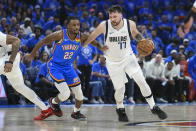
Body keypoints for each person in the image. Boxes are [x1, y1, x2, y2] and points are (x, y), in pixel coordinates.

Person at [83, 5, 167, 122]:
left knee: (141, 81)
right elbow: (92, 37)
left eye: (115, 16)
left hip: (128, 58)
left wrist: (142, 41)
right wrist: (91, 45)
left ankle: (153, 106)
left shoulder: (130, 24)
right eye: (111, 16)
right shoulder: (104, 25)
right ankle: (120, 108)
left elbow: (136, 34)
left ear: (121, 16)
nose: (113, 19)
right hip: (112, 62)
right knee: (120, 89)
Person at [25, 16, 104, 120]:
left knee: (79, 94)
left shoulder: (81, 36)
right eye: (74, 25)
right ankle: (53, 102)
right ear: (68, 26)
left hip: (68, 67)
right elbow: (42, 41)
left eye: (78, 25)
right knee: (66, 94)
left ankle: (76, 112)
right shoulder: (60, 35)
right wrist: (31, 54)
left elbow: (92, 41)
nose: (76, 27)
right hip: (55, 67)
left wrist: (102, 47)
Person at [0, 31, 53, 120]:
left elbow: (17, 41)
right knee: (21, 88)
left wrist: (10, 62)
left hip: (9, 59)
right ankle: (46, 108)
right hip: (5, 60)